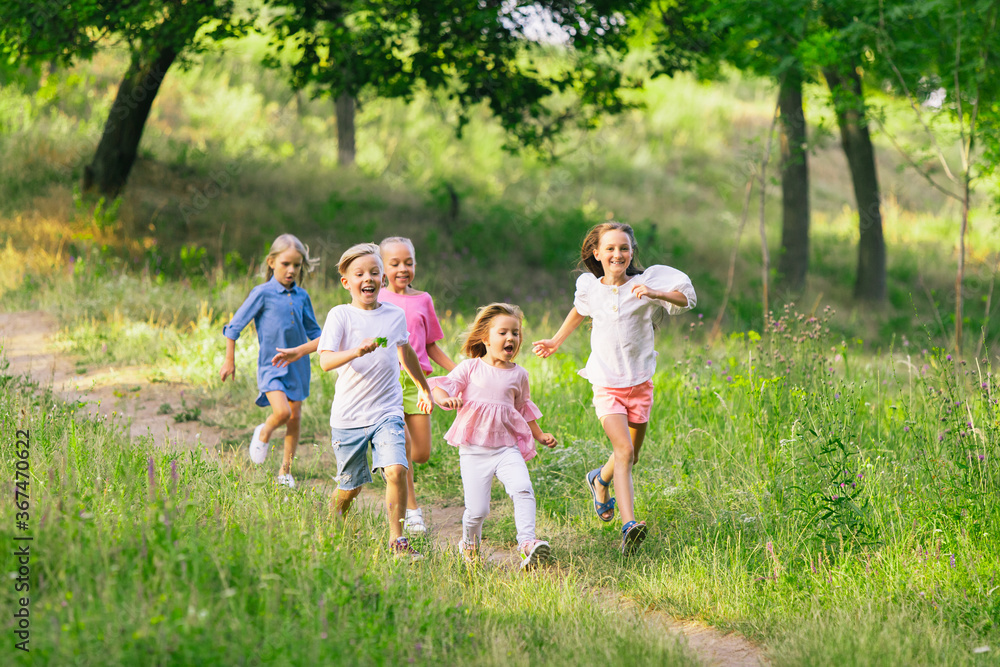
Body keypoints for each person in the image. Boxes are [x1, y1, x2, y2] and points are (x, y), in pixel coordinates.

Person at [532, 222, 696, 555]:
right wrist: (555, 340)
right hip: (607, 385)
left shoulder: (644, 283)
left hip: (640, 384)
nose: (617, 254)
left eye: (623, 248)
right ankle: (629, 524)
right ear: (597, 253)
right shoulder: (591, 288)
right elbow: (579, 311)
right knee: (623, 452)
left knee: (631, 456)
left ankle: (599, 479)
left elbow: (685, 298)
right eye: (609, 248)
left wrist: (655, 294)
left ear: (631, 252)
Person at [317, 242, 433, 561]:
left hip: (387, 411)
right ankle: (332, 524)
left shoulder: (394, 315)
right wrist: (356, 350)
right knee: (349, 488)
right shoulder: (340, 315)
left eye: (373, 272)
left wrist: (422, 387)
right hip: (349, 417)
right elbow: (326, 361)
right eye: (359, 274)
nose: (367, 278)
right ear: (347, 282)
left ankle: (398, 542)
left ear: (382, 279)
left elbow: (404, 350)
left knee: (396, 470)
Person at [431, 303, 557, 569]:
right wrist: (447, 400)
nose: (511, 338)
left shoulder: (519, 375)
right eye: (503, 333)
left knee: (523, 488)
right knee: (478, 512)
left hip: (506, 448)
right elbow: (441, 388)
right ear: (486, 339)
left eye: (516, 333)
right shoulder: (470, 368)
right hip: (474, 451)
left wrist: (540, 434)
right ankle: (469, 545)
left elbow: (524, 409)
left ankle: (527, 543)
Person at [220, 234, 322, 489]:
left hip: (298, 366)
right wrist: (229, 360)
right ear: (271, 262)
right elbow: (234, 327)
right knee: (282, 412)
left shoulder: (302, 297)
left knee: (295, 417)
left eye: (297, 265)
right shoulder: (262, 293)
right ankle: (264, 432)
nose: (291, 270)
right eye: (286, 264)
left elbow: (316, 332)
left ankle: (285, 471)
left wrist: (336, 349)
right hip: (271, 365)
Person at [378, 236, 457, 535]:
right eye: (395, 263)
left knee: (421, 453)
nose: (402, 268)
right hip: (388, 381)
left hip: (419, 383)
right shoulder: (380, 299)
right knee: (403, 448)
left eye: (408, 262)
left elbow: (431, 346)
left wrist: (459, 369)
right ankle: (412, 510)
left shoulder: (424, 300)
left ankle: (390, 465)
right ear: (383, 268)